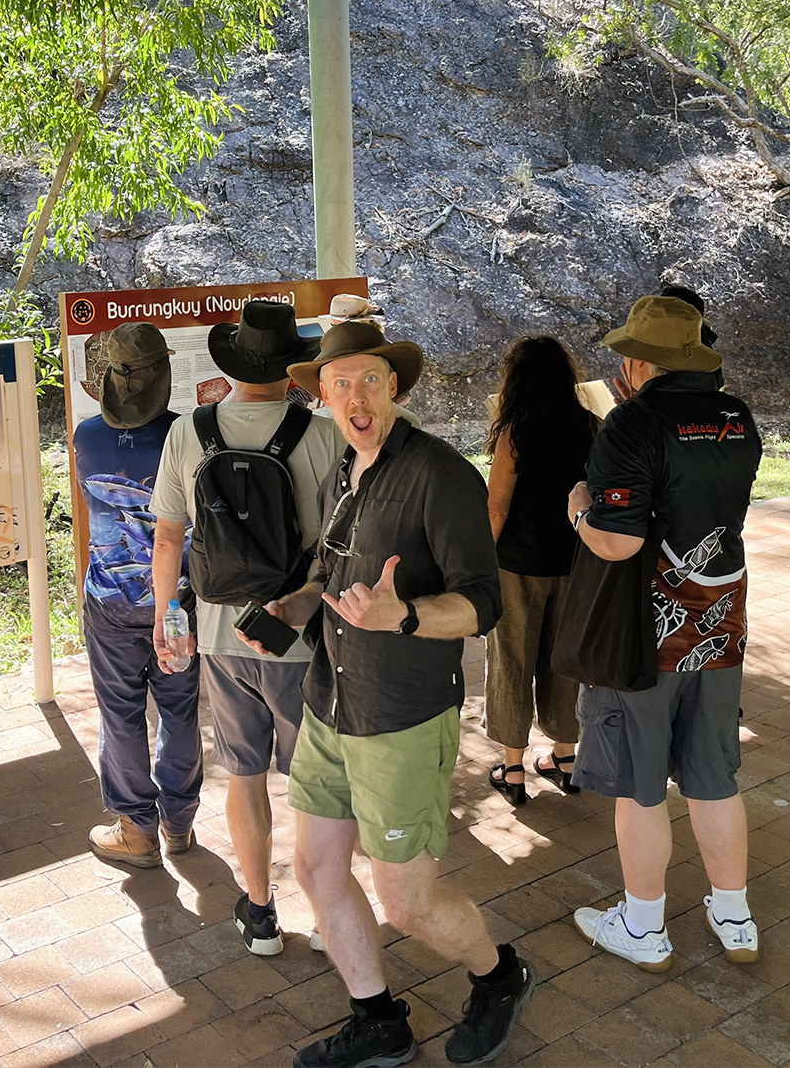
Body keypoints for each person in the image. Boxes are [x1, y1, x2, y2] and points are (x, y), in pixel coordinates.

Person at [244, 321, 531, 1068]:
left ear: (394, 387)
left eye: (368, 379)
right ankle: (378, 1019)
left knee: (406, 904)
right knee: (314, 870)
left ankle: (500, 975)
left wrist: (402, 614)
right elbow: (337, 580)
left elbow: (482, 604)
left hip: (400, 717)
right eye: (338, 384)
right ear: (324, 397)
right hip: (330, 705)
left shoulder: (440, 476)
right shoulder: (347, 467)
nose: (354, 397)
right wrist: (293, 608)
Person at [567, 294, 763, 971]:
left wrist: (579, 511)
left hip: (642, 635)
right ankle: (735, 917)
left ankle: (644, 925)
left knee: (641, 782)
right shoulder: (739, 419)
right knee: (713, 775)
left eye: (627, 352)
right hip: (722, 625)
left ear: (642, 360)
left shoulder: (633, 422)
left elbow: (618, 543)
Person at [148, 300, 345, 955]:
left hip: (220, 632)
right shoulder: (321, 434)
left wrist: (166, 616)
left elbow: (169, 538)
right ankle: (326, 914)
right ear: (293, 366)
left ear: (233, 362)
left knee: (244, 772)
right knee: (315, 780)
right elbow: (341, 546)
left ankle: (261, 913)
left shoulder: (189, 432)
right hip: (298, 632)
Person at [76, 322, 202, 869]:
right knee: (179, 711)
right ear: (164, 378)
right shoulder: (190, 434)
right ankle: (178, 826)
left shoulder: (86, 436)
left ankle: (135, 829)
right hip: (176, 603)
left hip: (109, 599)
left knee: (120, 715)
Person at [483, 336, 597, 805]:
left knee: (512, 660)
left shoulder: (516, 431)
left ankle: (513, 770)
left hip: (516, 566)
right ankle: (566, 758)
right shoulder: (593, 426)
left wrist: (476, 564)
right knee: (564, 659)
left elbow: (496, 507)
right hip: (574, 563)